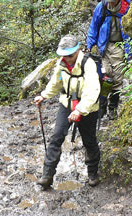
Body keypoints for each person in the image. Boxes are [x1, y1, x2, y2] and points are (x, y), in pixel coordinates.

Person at [34, 35, 101, 189]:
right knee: (56, 137)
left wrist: (80, 110)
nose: (67, 58)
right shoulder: (62, 63)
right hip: (67, 104)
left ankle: (92, 174)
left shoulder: (88, 64)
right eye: (64, 55)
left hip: (88, 108)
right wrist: (44, 95)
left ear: (78, 50)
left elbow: (92, 91)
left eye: (70, 55)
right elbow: (55, 82)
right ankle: (47, 175)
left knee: (89, 140)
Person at [86, 0, 131, 120]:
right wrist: (90, 45)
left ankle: (113, 108)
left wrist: (130, 51)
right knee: (104, 77)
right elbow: (94, 26)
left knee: (118, 78)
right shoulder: (102, 7)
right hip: (103, 46)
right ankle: (102, 106)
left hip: (120, 47)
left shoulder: (127, 7)